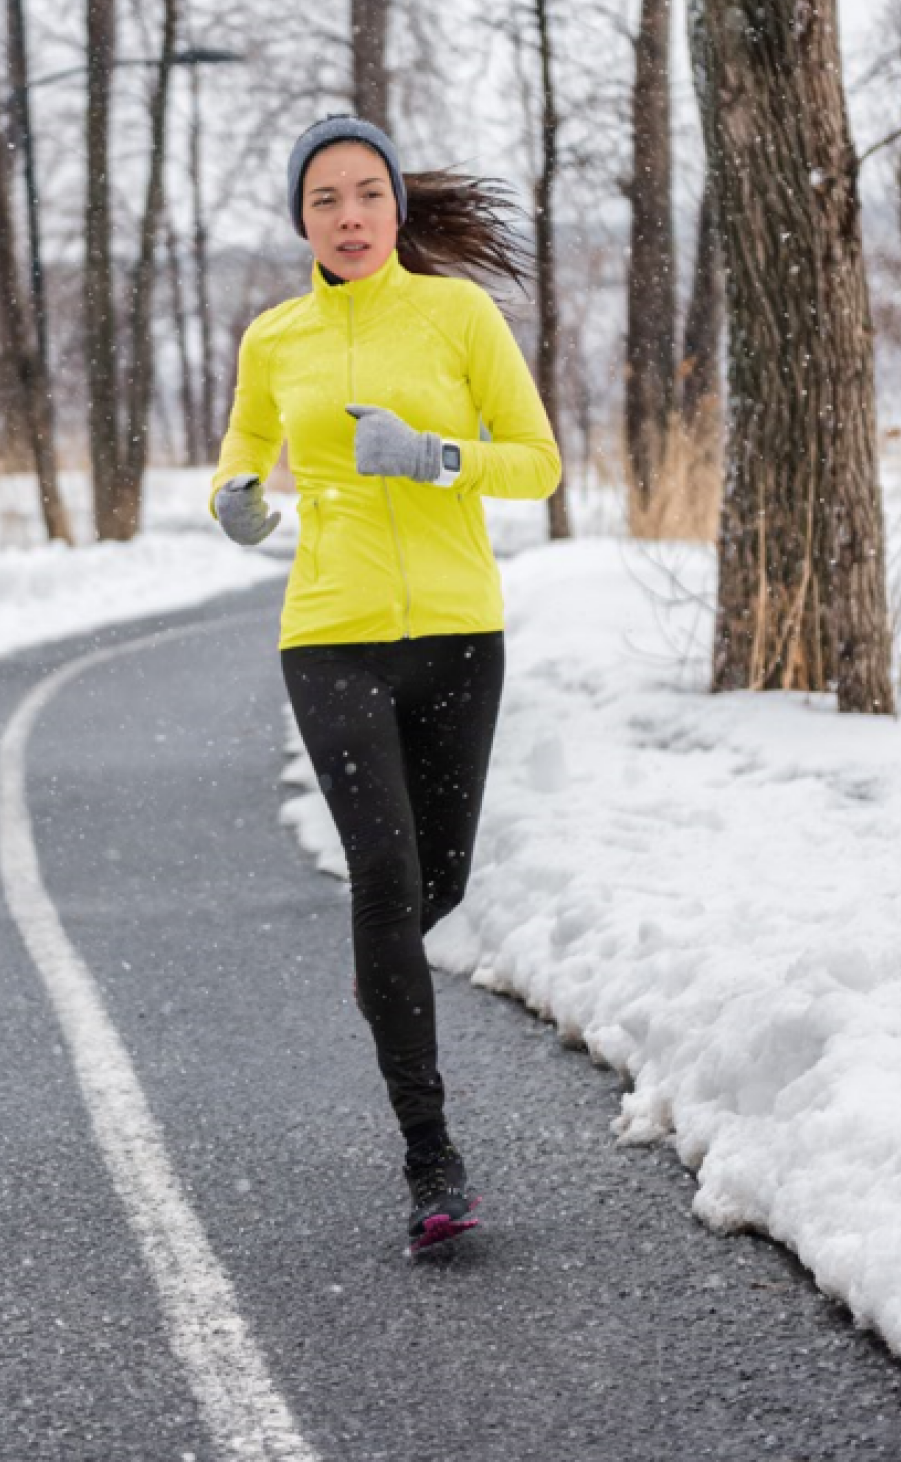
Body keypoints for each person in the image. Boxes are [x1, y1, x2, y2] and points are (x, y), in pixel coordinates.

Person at [208, 115, 562, 1254]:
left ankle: (384, 962)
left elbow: (537, 459)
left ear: (397, 207)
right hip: (331, 636)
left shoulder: (458, 315)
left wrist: (436, 454)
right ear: (300, 218)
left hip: (459, 633)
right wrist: (236, 501)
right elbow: (245, 455)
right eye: (325, 199)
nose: (348, 216)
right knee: (386, 866)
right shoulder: (275, 337)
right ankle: (431, 1156)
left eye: (367, 194)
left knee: (434, 884)